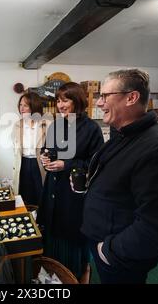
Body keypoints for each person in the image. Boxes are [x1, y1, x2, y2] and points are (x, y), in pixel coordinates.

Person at [80, 69, 158, 284]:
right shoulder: (123, 134)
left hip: (120, 255)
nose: (99, 103)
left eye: (105, 96)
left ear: (131, 97)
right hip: (105, 239)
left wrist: (109, 250)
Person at [38, 82, 104, 282]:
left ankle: (72, 276)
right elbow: (47, 148)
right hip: (52, 188)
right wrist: (44, 156)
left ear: (77, 101)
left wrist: (66, 165)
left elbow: (96, 162)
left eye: (65, 100)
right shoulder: (56, 125)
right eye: (58, 100)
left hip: (73, 192)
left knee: (70, 233)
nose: (60, 105)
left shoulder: (92, 128)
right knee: (51, 229)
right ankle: (51, 275)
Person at [12, 92, 52, 206]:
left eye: (25, 105)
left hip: (39, 163)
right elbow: (15, 148)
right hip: (23, 163)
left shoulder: (47, 124)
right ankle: (28, 220)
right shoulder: (17, 125)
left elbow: (52, 146)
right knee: (24, 196)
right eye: (20, 105)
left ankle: (42, 222)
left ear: (34, 106)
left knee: (42, 194)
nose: (22, 108)